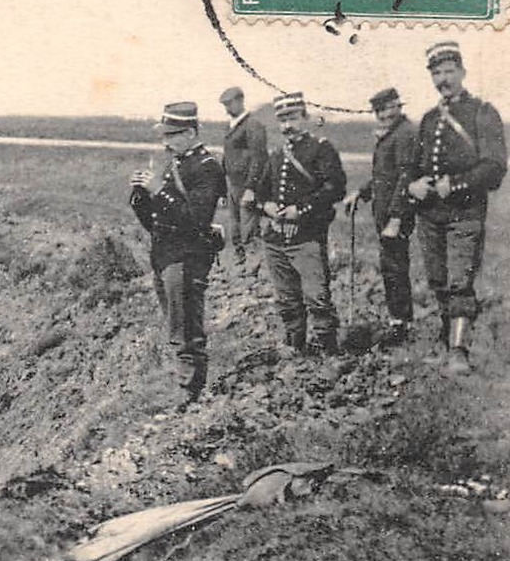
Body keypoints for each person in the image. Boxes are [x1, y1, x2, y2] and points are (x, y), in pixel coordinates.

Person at [406, 41, 508, 373]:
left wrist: (458, 183)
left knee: (459, 281)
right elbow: (414, 165)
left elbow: (494, 166)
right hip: (431, 215)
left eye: (449, 71)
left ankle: (459, 351)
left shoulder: (482, 113)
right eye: (436, 73)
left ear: (462, 72)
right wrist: (414, 184)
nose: (443, 79)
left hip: (465, 212)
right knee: (437, 279)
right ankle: (442, 340)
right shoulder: (429, 119)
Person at [128, 101, 226, 406]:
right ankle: (185, 386)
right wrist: (141, 198)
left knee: (186, 328)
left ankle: (189, 392)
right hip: (166, 254)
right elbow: (156, 218)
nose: (165, 142)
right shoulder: (176, 165)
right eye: (164, 136)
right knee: (175, 322)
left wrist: (159, 190)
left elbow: (196, 219)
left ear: (190, 132)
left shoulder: (207, 167)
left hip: (187, 256)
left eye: (171, 135)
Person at [248, 92, 347, 354]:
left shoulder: (321, 149)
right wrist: (266, 206)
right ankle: (296, 347)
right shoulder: (277, 154)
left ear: (305, 117)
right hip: (276, 238)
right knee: (286, 298)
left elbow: (335, 188)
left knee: (316, 296)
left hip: (307, 236)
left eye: (292, 118)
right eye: (282, 120)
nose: (287, 126)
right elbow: (260, 191)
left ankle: (328, 350)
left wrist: (300, 210)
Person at [343, 88, 419, 345]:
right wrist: (361, 194)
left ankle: (401, 326)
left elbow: (406, 178)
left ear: (398, 106)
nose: (383, 115)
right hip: (385, 215)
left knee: (395, 267)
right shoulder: (392, 134)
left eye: (387, 109)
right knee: (391, 266)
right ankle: (398, 320)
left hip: (395, 217)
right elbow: (382, 176)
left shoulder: (405, 134)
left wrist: (396, 219)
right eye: (378, 111)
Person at [218, 86, 269, 267]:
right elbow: (227, 156)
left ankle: (254, 269)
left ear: (240, 101)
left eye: (229, 104)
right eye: (224, 105)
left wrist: (251, 188)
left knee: (249, 229)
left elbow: (259, 159)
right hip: (232, 184)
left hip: (246, 185)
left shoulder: (253, 125)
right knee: (235, 227)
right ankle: (241, 265)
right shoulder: (231, 126)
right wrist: (222, 188)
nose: (227, 108)